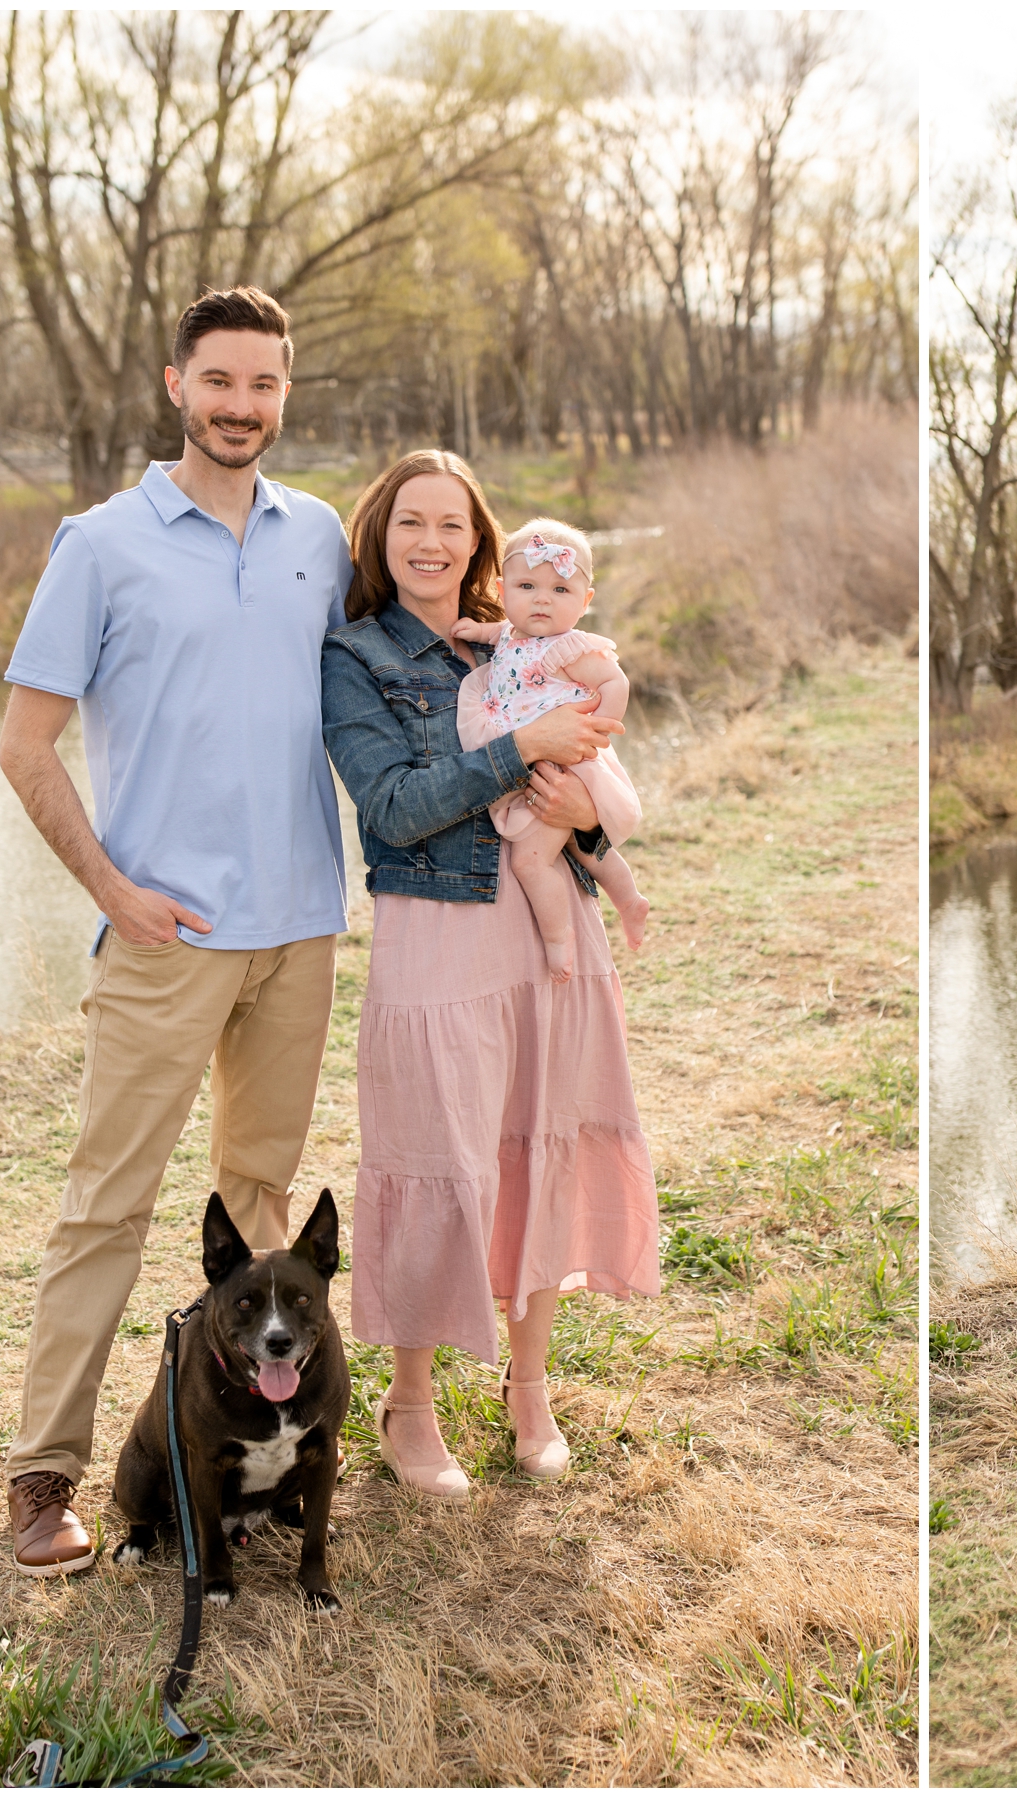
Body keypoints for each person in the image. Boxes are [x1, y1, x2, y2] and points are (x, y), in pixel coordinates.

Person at [0, 286, 353, 1577]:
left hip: (301, 928)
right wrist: (110, 888)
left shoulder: (319, 534)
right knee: (109, 1205)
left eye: (264, 386)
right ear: (174, 383)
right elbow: (23, 744)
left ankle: (244, 1457)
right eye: (221, 382)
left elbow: (387, 673)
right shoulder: (100, 544)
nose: (242, 406)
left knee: (259, 1216)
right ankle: (45, 1475)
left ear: (283, 394)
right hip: (163, 936)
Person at [320, 449, 661, 1500]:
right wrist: (525, 754)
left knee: (539, 1141)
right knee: (437, 1155)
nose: (432, 542)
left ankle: (529, 1390)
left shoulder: (523, 636)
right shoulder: (357, 653)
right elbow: (392, 807)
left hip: (544, 930)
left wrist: (586, 809)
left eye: (454, 526)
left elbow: (601, 769)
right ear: (379, 532)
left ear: (481, 541)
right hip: (435, 931)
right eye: (410, 522)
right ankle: (410, 1404)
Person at [450, 520, 651, 975]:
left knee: (530, 859)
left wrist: (602, 725)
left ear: (586, 601)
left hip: (565, 762)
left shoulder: (570, 648)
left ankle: (559, 941)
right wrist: (469, 630)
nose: (542, 599)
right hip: (532, 757)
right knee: (581, 846)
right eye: (527, 586)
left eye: (560, 590)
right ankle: (629, 898)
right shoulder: (508, 634)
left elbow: (614, 680)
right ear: (503, 591)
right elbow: (493, 635)